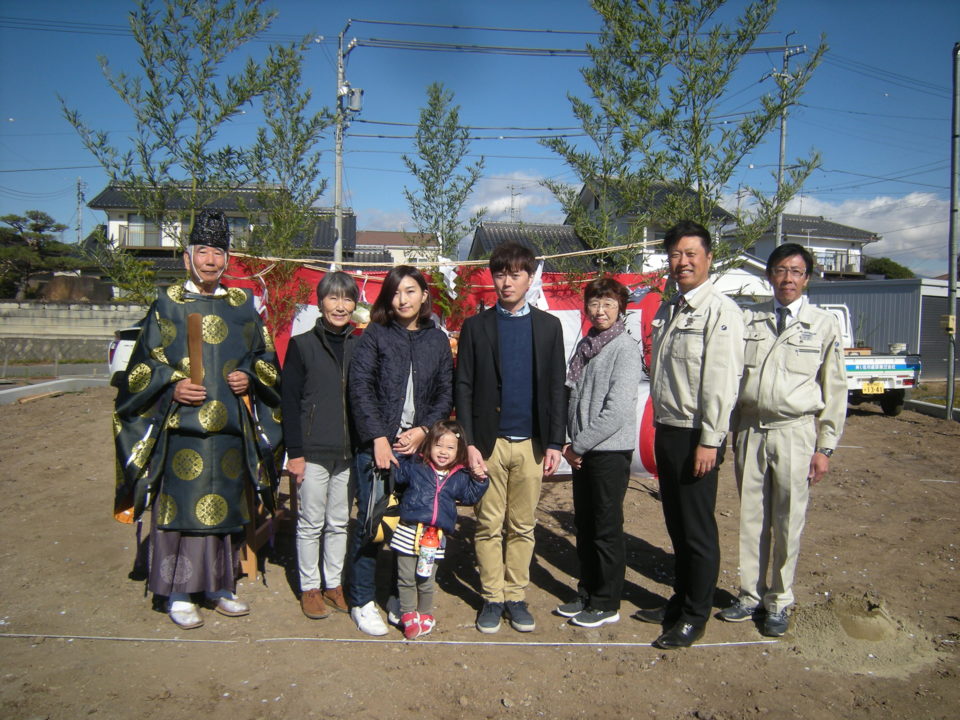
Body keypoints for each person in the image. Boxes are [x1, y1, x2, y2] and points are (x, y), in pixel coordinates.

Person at [113, 209, 284, 629]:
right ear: (188, 256)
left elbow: (265, 358)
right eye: (202, 251)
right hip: (181, 431)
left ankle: (219, 585)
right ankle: (176, 590)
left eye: (219, 252)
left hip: (228, 431)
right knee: (181, 511)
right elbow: (140, 367)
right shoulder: (167, 303)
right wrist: (171, 385)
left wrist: (250, 378)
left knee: (224, 507)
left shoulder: (243, 306)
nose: (210, 260)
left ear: (228, 258)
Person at [718, 243, 847, 636]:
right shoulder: (750, 320)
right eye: (780, 270)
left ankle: (780, 599)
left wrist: (825, 447)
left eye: (795, 271)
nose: (787, 278)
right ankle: (750, 595)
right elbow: (733, 379)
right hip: (752, 430)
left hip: (796, 432)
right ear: (769, 275)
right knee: (752, 517)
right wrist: (729, 432)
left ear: (807, 278)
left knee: (788, 518)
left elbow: (836, 388)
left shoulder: (822, 324)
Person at [634, 220, 744, 649]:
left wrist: (710, 441)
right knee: (676, 525)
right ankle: (678, 602)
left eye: (691, 254)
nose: (682, 262)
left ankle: (695, 616)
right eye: (676, 255)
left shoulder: (720, 312)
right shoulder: (670, 307)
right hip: (668, 430)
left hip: (697, 434)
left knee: (697, 530)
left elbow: (721, 382)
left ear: (708, 258)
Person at [455, 241, 566, 634]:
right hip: (489, 444)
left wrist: (555, 441)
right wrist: (468, 442)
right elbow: (463, 386)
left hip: (532, 445)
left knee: (522, 525)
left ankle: (515, 595)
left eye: (516, 273)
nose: (507, 281)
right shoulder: (476, 326)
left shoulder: (549, 327)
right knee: (487, 524)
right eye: (500, 273)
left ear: (530, 277)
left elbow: (556, 388)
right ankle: (491, 596)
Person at [347, 265, 454, 636]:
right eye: (395, 292)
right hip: (378, 446)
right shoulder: (376, 335)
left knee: (410, 526)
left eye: (410, 291)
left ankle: (398, 596)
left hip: (419, 449)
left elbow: (445, 392)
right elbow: (359, 386)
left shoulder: (436, 340)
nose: (403, 299)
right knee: (373, 522)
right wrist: (378, 436)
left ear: (425, 295)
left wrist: (424, 431)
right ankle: (361, 599)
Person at [557, 278, 643, 628]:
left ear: (620, 307)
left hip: (608, 451)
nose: (601, 310)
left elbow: (617, 410)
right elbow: (571, 396)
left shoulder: (624, 347)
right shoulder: (587, 344)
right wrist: (569, 442)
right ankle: (588, 590)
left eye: (608, 303)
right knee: (586, 524)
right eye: (594, 303)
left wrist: (577, 444)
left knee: (606, 527)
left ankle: (607, 600)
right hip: (582, 452)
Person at [281, 272, 360, 620]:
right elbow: (289, 402)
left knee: (340, 522)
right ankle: (309, 587)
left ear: (355, 304)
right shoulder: (302, 346)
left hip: (349, 451)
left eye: (346, 299)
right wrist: (295, 454)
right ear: (320, 301)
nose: (340, 306)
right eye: (333, 298)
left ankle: (334, 584)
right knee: (311, 522)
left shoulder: (360, 345)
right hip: (312, 452)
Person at [390, 420, 489, 639]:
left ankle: (425, 613)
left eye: (450, 448)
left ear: (459, 451)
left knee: (426, 579)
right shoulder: (418, 465)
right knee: (405, 576)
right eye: (438, 445)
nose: (443, 452)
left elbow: (470, 496)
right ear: (428, 445)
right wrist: (401, 448)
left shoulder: (459, 476)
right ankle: (407, 613)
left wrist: (481, 479)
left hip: (434, 538)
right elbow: (398, 474)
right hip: (409, 530)